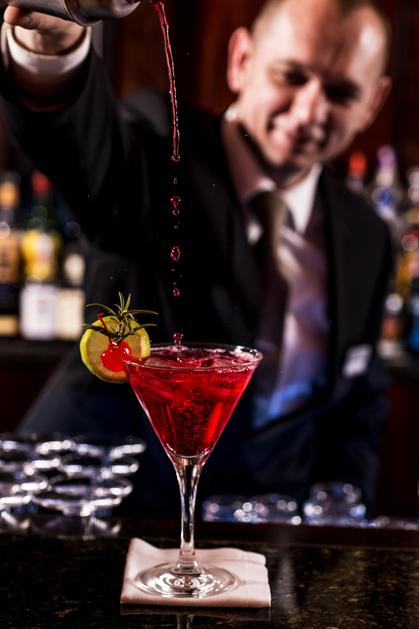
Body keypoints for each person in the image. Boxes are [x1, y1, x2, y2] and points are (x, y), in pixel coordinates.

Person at [0, 0, 393, 516]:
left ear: (373, 103)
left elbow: (357, 407)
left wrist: (342, 527)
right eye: (291, 76)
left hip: (262, 534)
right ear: (241, 60)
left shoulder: (367, 235)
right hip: (102, 510)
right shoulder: (157, 147)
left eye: (341, 93)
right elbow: (81, 145)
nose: (309, 112)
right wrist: (53, 45)